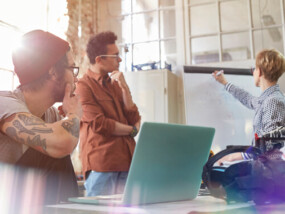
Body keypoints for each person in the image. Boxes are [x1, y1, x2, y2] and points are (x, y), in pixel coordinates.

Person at [0, 30, 82, 205]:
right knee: (53, 151)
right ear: (52, 71)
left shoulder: (51, 114)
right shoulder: (4, 103)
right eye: (73, 69)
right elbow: (62, 143)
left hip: (19, 200)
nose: (77, 78)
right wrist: (74, 114)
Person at [76, 31, 141, 196]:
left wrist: (125, 88)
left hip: (128, 163)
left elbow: (134, 117)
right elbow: (100, 124)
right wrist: (131, 130)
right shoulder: (83, 86)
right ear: (99, 59)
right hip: (102, 166)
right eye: (115, 56)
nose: (120, 60)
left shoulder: (116, 84)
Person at [212, 49, 285, 165]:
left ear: (260, 71)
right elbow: (248, 99)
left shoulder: (273, 101)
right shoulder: (268, 99)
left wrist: (236, 156)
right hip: (263, 170)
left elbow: (270, 146)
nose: (254, 72)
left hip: (268, 174)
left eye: (254, 69)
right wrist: (226, 84)